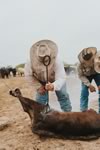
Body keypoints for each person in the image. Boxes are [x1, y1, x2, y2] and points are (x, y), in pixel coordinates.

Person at [24, 39, 72, 112]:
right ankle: (42, 118)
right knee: (40, 102)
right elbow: (28, 75)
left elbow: (61, 77)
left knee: (63, 96)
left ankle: (68, 114)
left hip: (56, 80)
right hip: (40, 81)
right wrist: (38, 86)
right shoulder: (30, 61)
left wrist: (53, 85)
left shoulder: (57, 60)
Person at [77, 47, 100, 113]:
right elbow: (81, 76)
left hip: (98, 73)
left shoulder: (98, 59)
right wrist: (89, 85)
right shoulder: (80, 65)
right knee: (84, 92)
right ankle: (83, 111)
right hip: (86, 76)